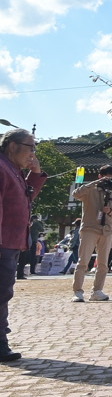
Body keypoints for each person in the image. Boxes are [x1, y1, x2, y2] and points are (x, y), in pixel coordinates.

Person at [0, 128, 45, 360]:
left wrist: (35, 174)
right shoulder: (2, 168)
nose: (33, 153)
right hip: (3, 242)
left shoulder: (14, 170)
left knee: (4, 292)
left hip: (11, 242)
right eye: (30, 147)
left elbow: (25, 199)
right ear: (12, 146)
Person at [71, 166, 112, 303]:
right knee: (83, 261)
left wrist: (110, 211)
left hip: (107, 229)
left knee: (103, 263)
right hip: (90, 228)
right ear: (100, 176)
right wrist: (94, 183)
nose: (110, 180)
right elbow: (76, 194)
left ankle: (97, 291)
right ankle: (78, 292)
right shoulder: (90, 190)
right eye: (107, 177)